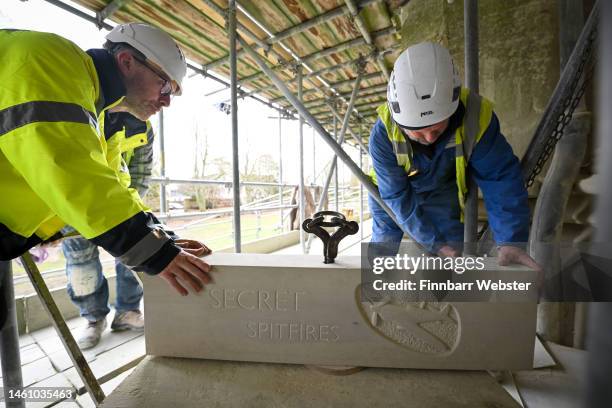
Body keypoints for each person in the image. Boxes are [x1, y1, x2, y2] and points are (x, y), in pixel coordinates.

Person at [0, 24, 212, 301]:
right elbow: (69, 168)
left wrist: (162, 236)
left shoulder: (94, 114)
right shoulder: (49, 59)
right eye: (165, 86)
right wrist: (156, 253)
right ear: (126, 61)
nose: (166, 102)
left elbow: (116, 185)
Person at [368, 41, 539, 269]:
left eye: (437, 129)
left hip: (441, 185)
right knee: (384, 244)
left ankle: (445, 297)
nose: (429, 138)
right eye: (419, 131)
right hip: (390, 191)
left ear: (454, 106)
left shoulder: (476, 118)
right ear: (400, 120)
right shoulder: (383, 134)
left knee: (451, 250)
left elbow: (500, 178)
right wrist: (433, 243)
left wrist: (510, 240)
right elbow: (397, 196)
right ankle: (376, 290)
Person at [61, 110, 155, 349]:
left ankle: (127, 311)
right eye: (162, 85)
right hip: (76, 202)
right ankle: (93, 318)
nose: (163, 101)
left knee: (131, 257)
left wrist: (126, 213)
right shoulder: (83, 109)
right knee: (81, 265)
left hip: (121, 203)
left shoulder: (143, 128)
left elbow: (141, 173)